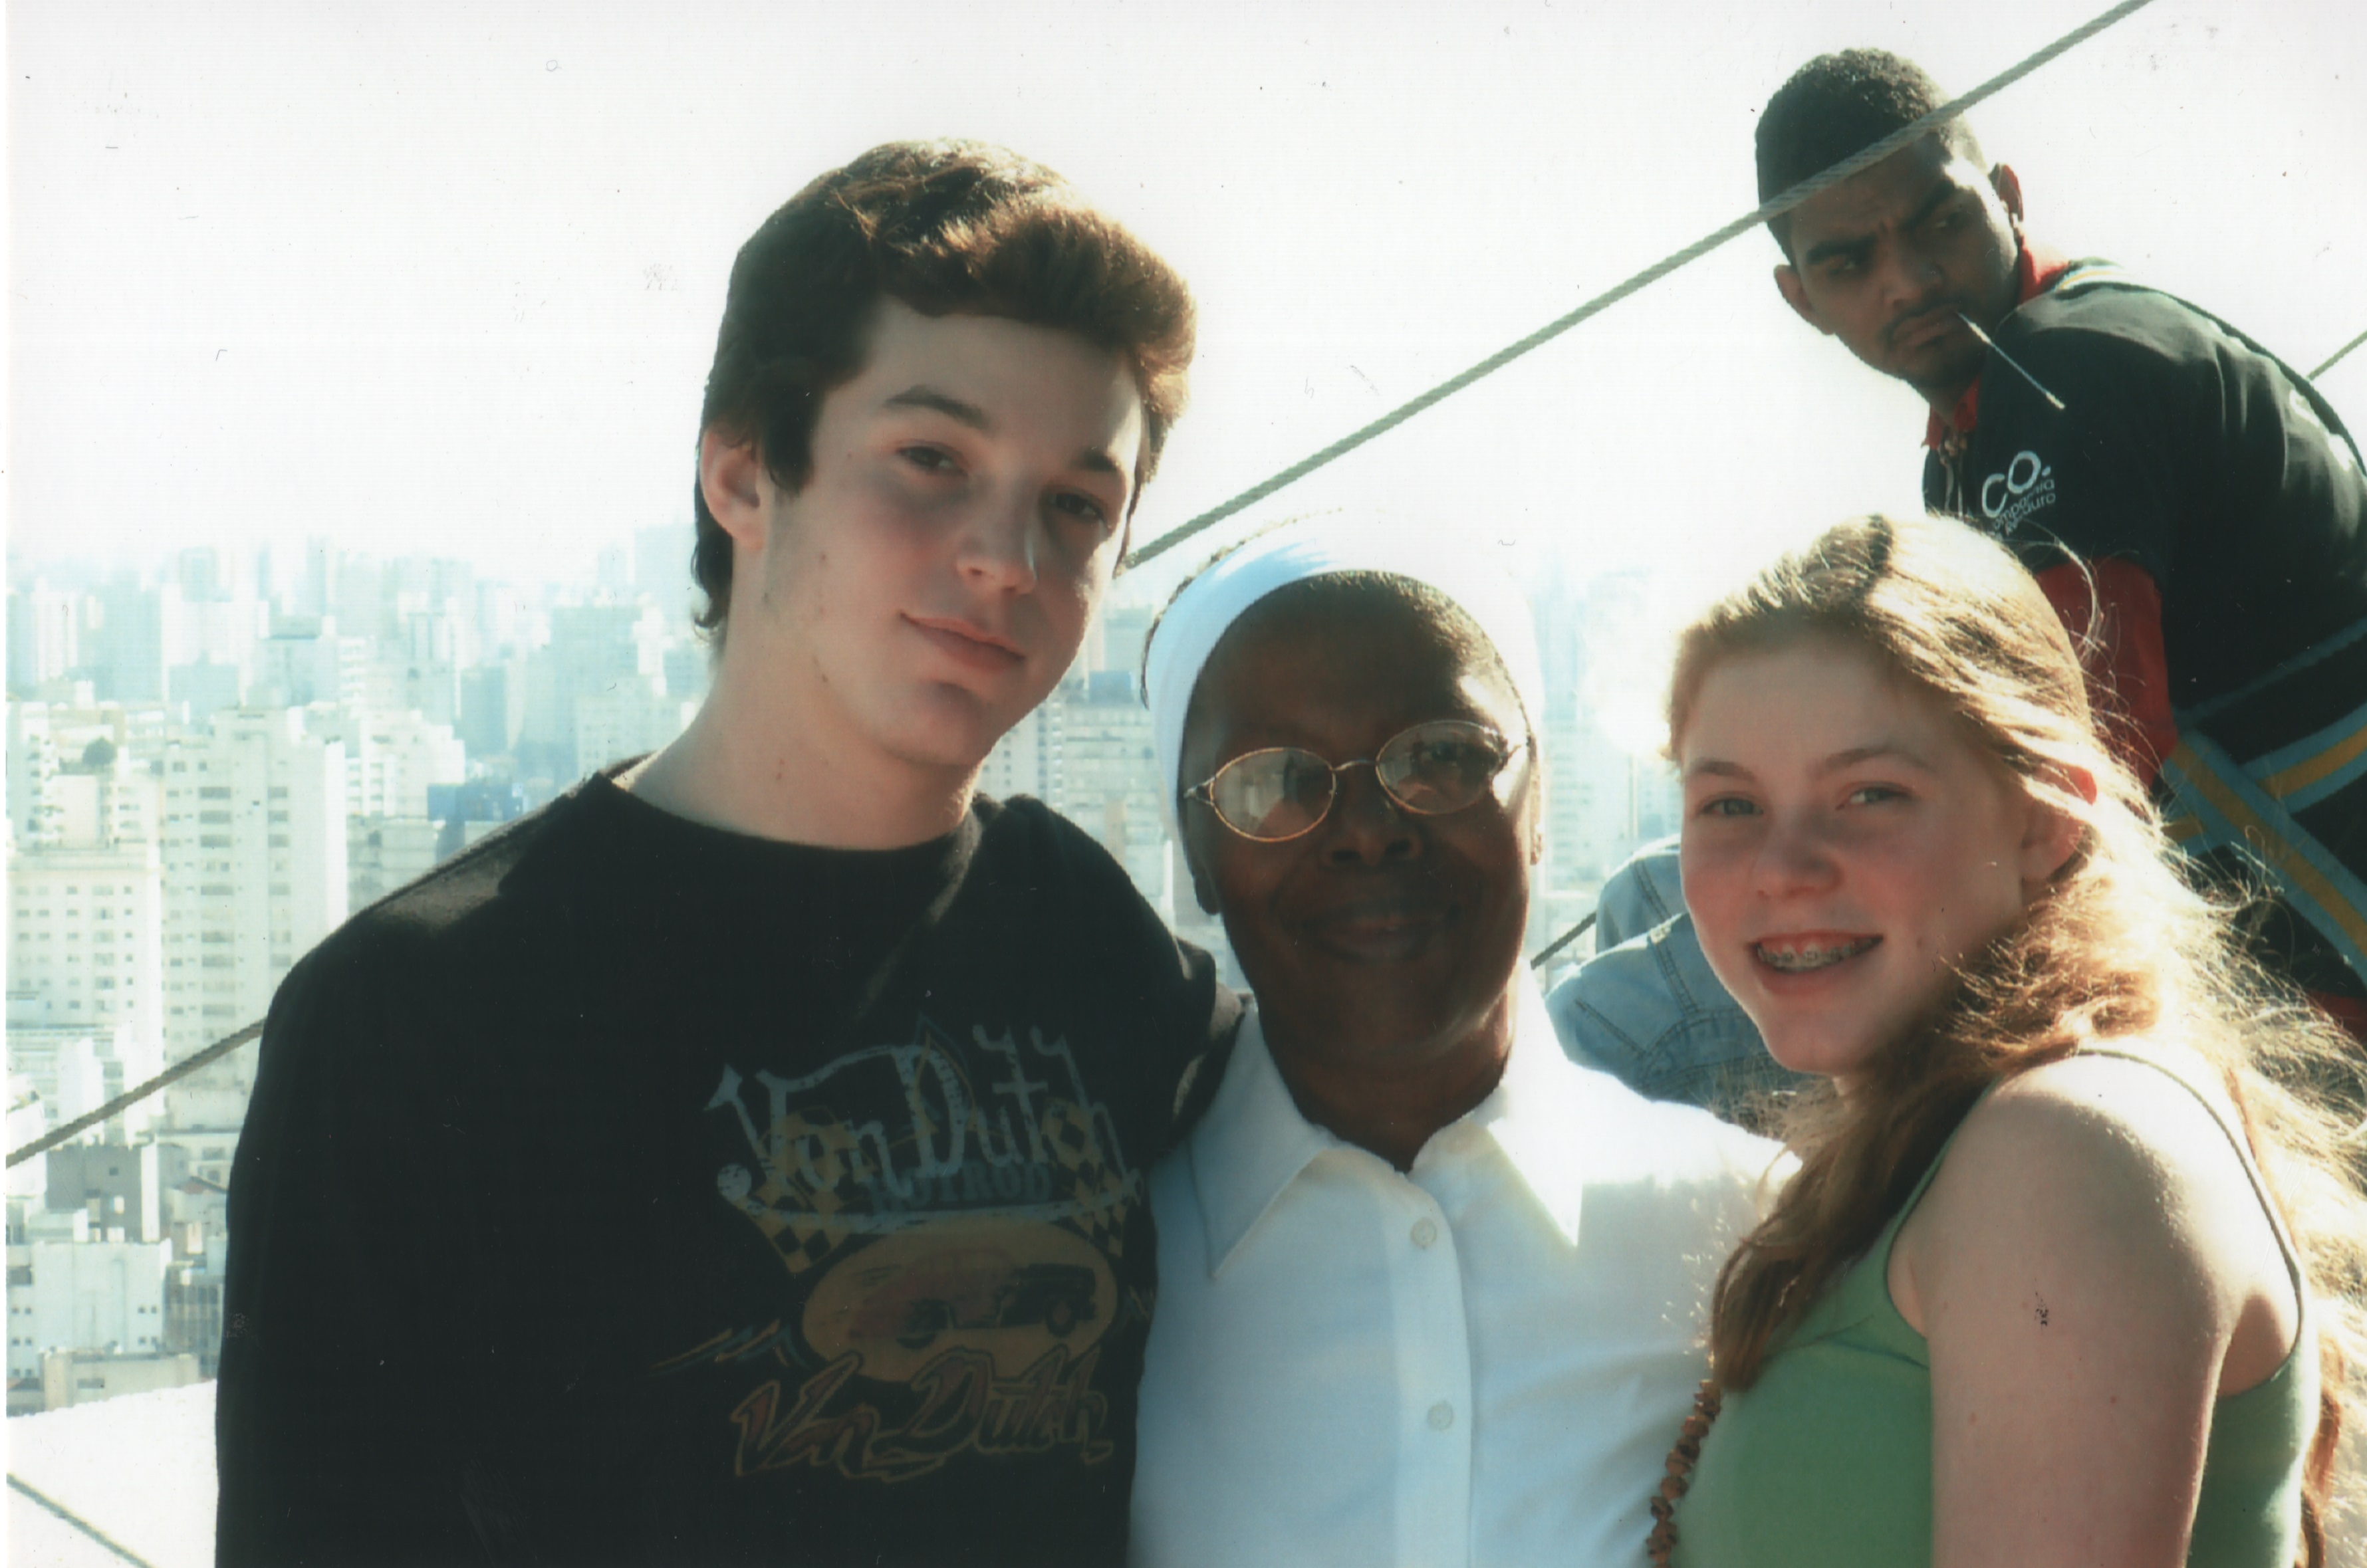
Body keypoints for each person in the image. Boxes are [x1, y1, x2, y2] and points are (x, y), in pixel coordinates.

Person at [216, 140, 1238, 1566]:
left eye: (1078, 502)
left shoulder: (1087, 935)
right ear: (745, 474)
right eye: (930, 459)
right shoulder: (417, 1012)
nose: (1008, 553)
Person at [1648, 515, 2366, 1567]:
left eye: (1870, 794)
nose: (1784, 866)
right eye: (1730, 804)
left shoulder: (2067, 1146)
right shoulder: (1968, 1146)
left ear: (2045, 821)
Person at [1127, 516, 1783, 1567]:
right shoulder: (1102, 1274)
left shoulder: (1758, 1230)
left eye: (1440, 758)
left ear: (1539, 807)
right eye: (1275, 783)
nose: (1365, 828)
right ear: (1193, 861)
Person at [1758, 47, 2367, 1033]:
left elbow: (2087, 749)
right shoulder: (2024, 386)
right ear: (1802, 300)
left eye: (1939, 223)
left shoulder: (2063, 372)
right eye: (1849, 262)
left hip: (2327, 977)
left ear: (2006, 197)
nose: (1908, 280)